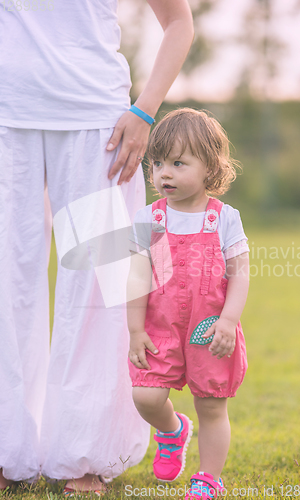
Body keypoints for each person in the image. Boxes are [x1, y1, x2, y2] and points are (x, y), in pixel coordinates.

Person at [0, 0, 194, 494]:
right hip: (5, 117)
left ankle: (84, 452)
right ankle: (7, 448)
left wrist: (144, 110)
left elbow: (178, 21)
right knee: (4, 282)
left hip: (97, 125)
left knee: (100, 289)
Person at [127, 108, 249, 498]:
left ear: (210, 167)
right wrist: (135, 329)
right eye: (158, 162)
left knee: (212, 404)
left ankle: (208, 478)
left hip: (208, 328)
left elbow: (239, 273)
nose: (164, 173)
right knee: (145, 395)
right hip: (159, 327)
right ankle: (172, 430)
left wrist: (228, 321)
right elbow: (136, 277)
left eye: (178, 163)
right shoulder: (149, 219)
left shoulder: (224, 219)